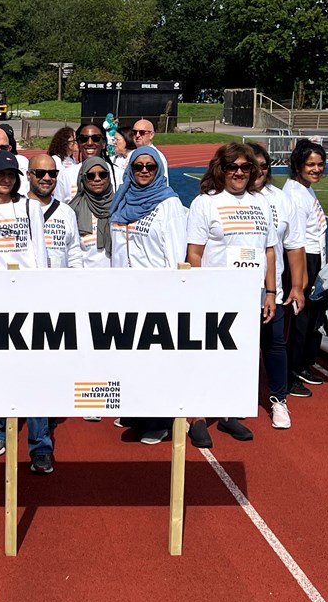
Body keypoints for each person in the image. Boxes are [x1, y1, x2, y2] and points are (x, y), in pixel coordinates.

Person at [185, 142, 279, 447]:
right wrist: (199, 291)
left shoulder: (262, 203)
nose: (239, 172)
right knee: (206, 357)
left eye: (245, 167)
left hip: (250, 295)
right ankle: (197, 417)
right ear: (221, 169)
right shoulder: (206, 203)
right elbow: (194, 253)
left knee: (238, 357)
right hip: (215, 295)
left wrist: (271, 291)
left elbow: (269, 251)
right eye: (232, 167)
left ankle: (226, 414)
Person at [0, 150, 54, 473]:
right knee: (1, 373)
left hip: (28, 301)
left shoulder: (30, 207)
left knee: (33, 375)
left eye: (10, 175)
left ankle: (41, 445)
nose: (5, 180)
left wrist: (42, 294)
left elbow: (41, 253)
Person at [109, 145, 187, 442]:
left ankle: (159, 420)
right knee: (130, 355)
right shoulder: (123, 198)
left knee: (155, 358)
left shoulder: (168, 204)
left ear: (159, 171)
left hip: (157, 293)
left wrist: (173, 294)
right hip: (124, 290)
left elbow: (177, 255)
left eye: (150, 167)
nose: (143, 171)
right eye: (138, 166)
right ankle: (137, 409)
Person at [248, 142, 306, 430]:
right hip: (229, 292)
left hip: (270, 292)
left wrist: (297, 285)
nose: (258, 171)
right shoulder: (222, 197)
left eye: (263, 165)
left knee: (274, 344)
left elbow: (294, 245)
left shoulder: (281, 200)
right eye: (250, 164)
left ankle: (278, 400)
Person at [282, 139, 328, 399]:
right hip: (303, 260)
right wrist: (300, 279)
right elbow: (296, 240)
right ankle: (288, 374)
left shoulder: (305, 189)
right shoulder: (294, 194)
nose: (316, 169)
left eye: (320, 164)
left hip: (314, 258)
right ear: (298, 165)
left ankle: (300, 365)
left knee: (309, 319)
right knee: (298, 321)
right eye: (310, 164)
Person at [67, 156, 116, 269]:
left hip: (116, 276)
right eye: (90, 176)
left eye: (103, 174)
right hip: (84, 278)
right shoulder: (73, 211)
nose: (97, 179)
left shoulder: (120, 206)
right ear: (82, 179)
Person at [55, 123, 117, 202]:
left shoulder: (117, 174)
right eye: (83, 138)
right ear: (78, 144)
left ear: (104, 144)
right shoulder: (66, 175)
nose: (89, 143)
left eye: (96, 138)